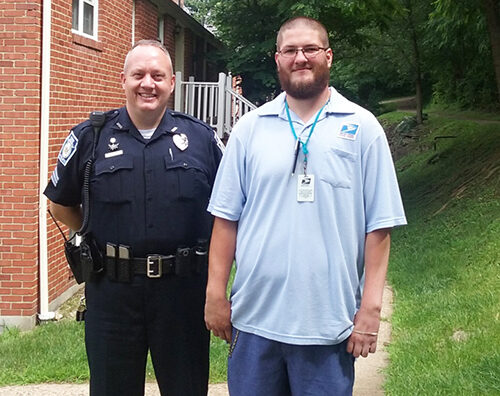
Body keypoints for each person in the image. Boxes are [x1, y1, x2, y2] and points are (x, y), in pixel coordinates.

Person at [204, 16, 407, 395]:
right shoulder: (250, 130)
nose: (301, 57)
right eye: (290, 50)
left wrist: (370, 310)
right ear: (277, 59)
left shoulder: (363, 129)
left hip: (329, 325)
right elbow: (225, 219)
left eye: (310, 49)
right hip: (254, 322)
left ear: (328, 57)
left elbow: (379, 228)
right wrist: (215, 292)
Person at [45, 40, 223, 396]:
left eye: (157, 75)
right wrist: (99, 235)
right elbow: (60, 204)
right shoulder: (90, 137)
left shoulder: (201, 139)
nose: (148, 83)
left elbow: (227, 213)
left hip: (182, 292)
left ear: (172, 82)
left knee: (187, 389)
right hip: (112, 292)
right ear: (122, 79)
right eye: (138, 74)